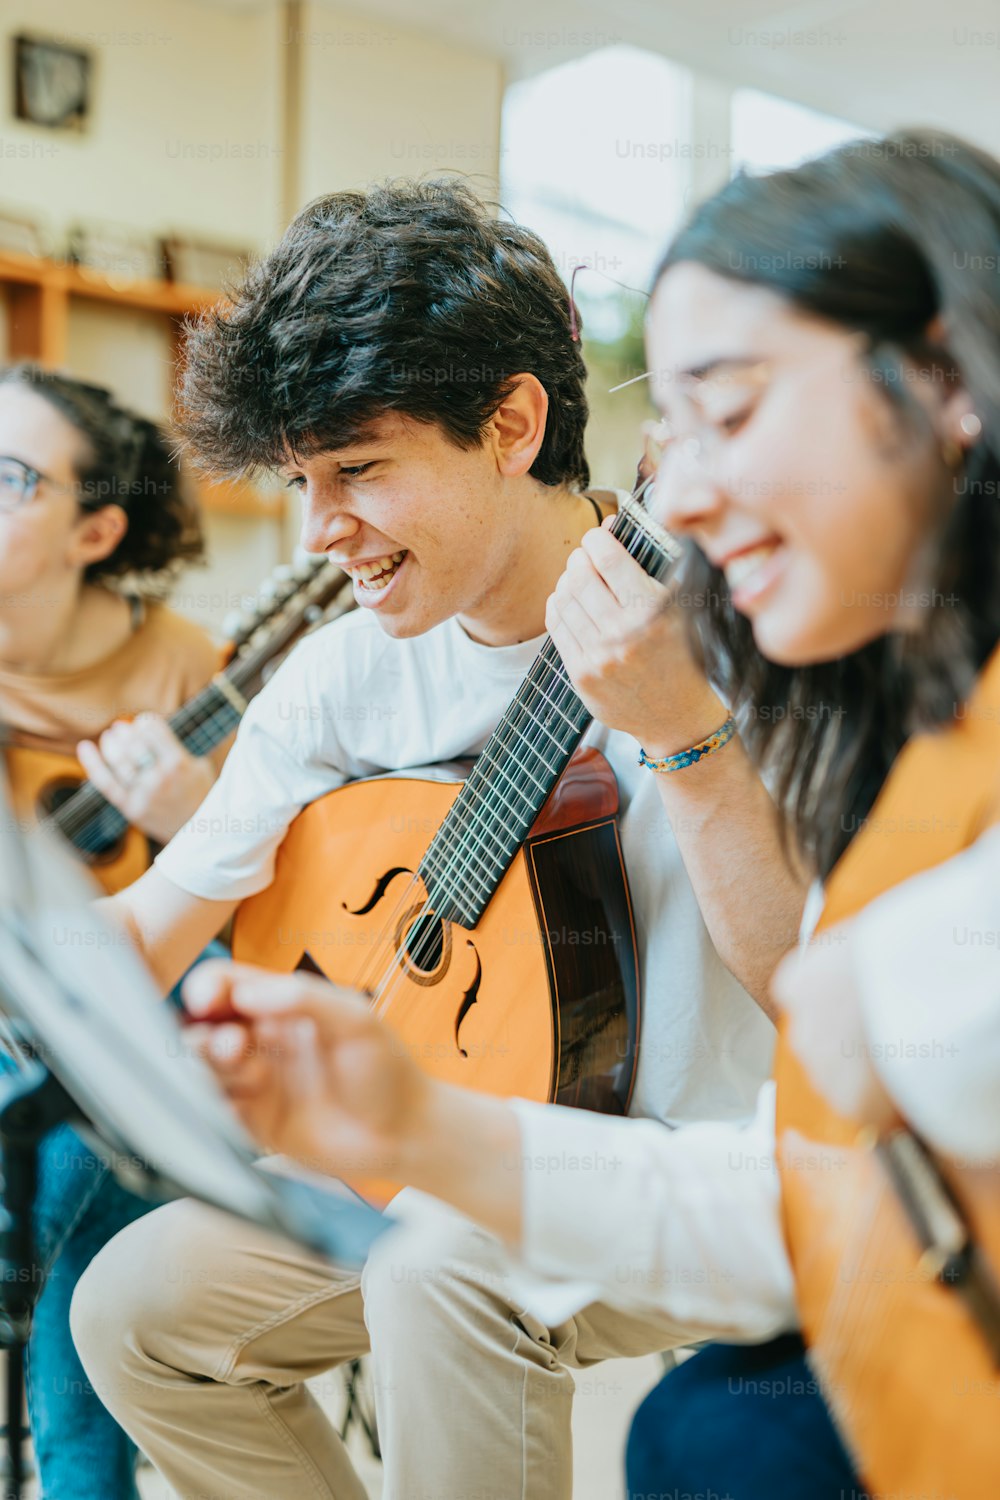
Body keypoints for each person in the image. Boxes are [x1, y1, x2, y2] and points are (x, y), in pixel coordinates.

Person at [163, 130, 1000, 1500]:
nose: (694, 491)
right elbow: (827, 1181)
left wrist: (696, 750)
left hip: (709, 1153)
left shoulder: (814, 684)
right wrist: (426, 1130)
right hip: (731, 1195)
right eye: (674, 432)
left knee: (665, 1406)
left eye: (731, 412)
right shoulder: (912, 712)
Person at [70, 179, 799, 1500]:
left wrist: (689, 742)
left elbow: (812, 993)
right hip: (429, 1156)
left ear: (513, 424)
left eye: (357, 470)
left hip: (699, 1165)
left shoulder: (747, 640)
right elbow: (155, 919)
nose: (321, 529)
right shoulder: (341, 680)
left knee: (442, 1268)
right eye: (300, 481)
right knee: (132, 1306)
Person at [0, 365, 228, 1499]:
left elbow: (264, 906)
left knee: (71, 1188)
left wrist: (196, 822)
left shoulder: (187, 667)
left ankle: (82, 1476)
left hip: (136, 1020)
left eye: (8, 477)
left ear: (95, 527)